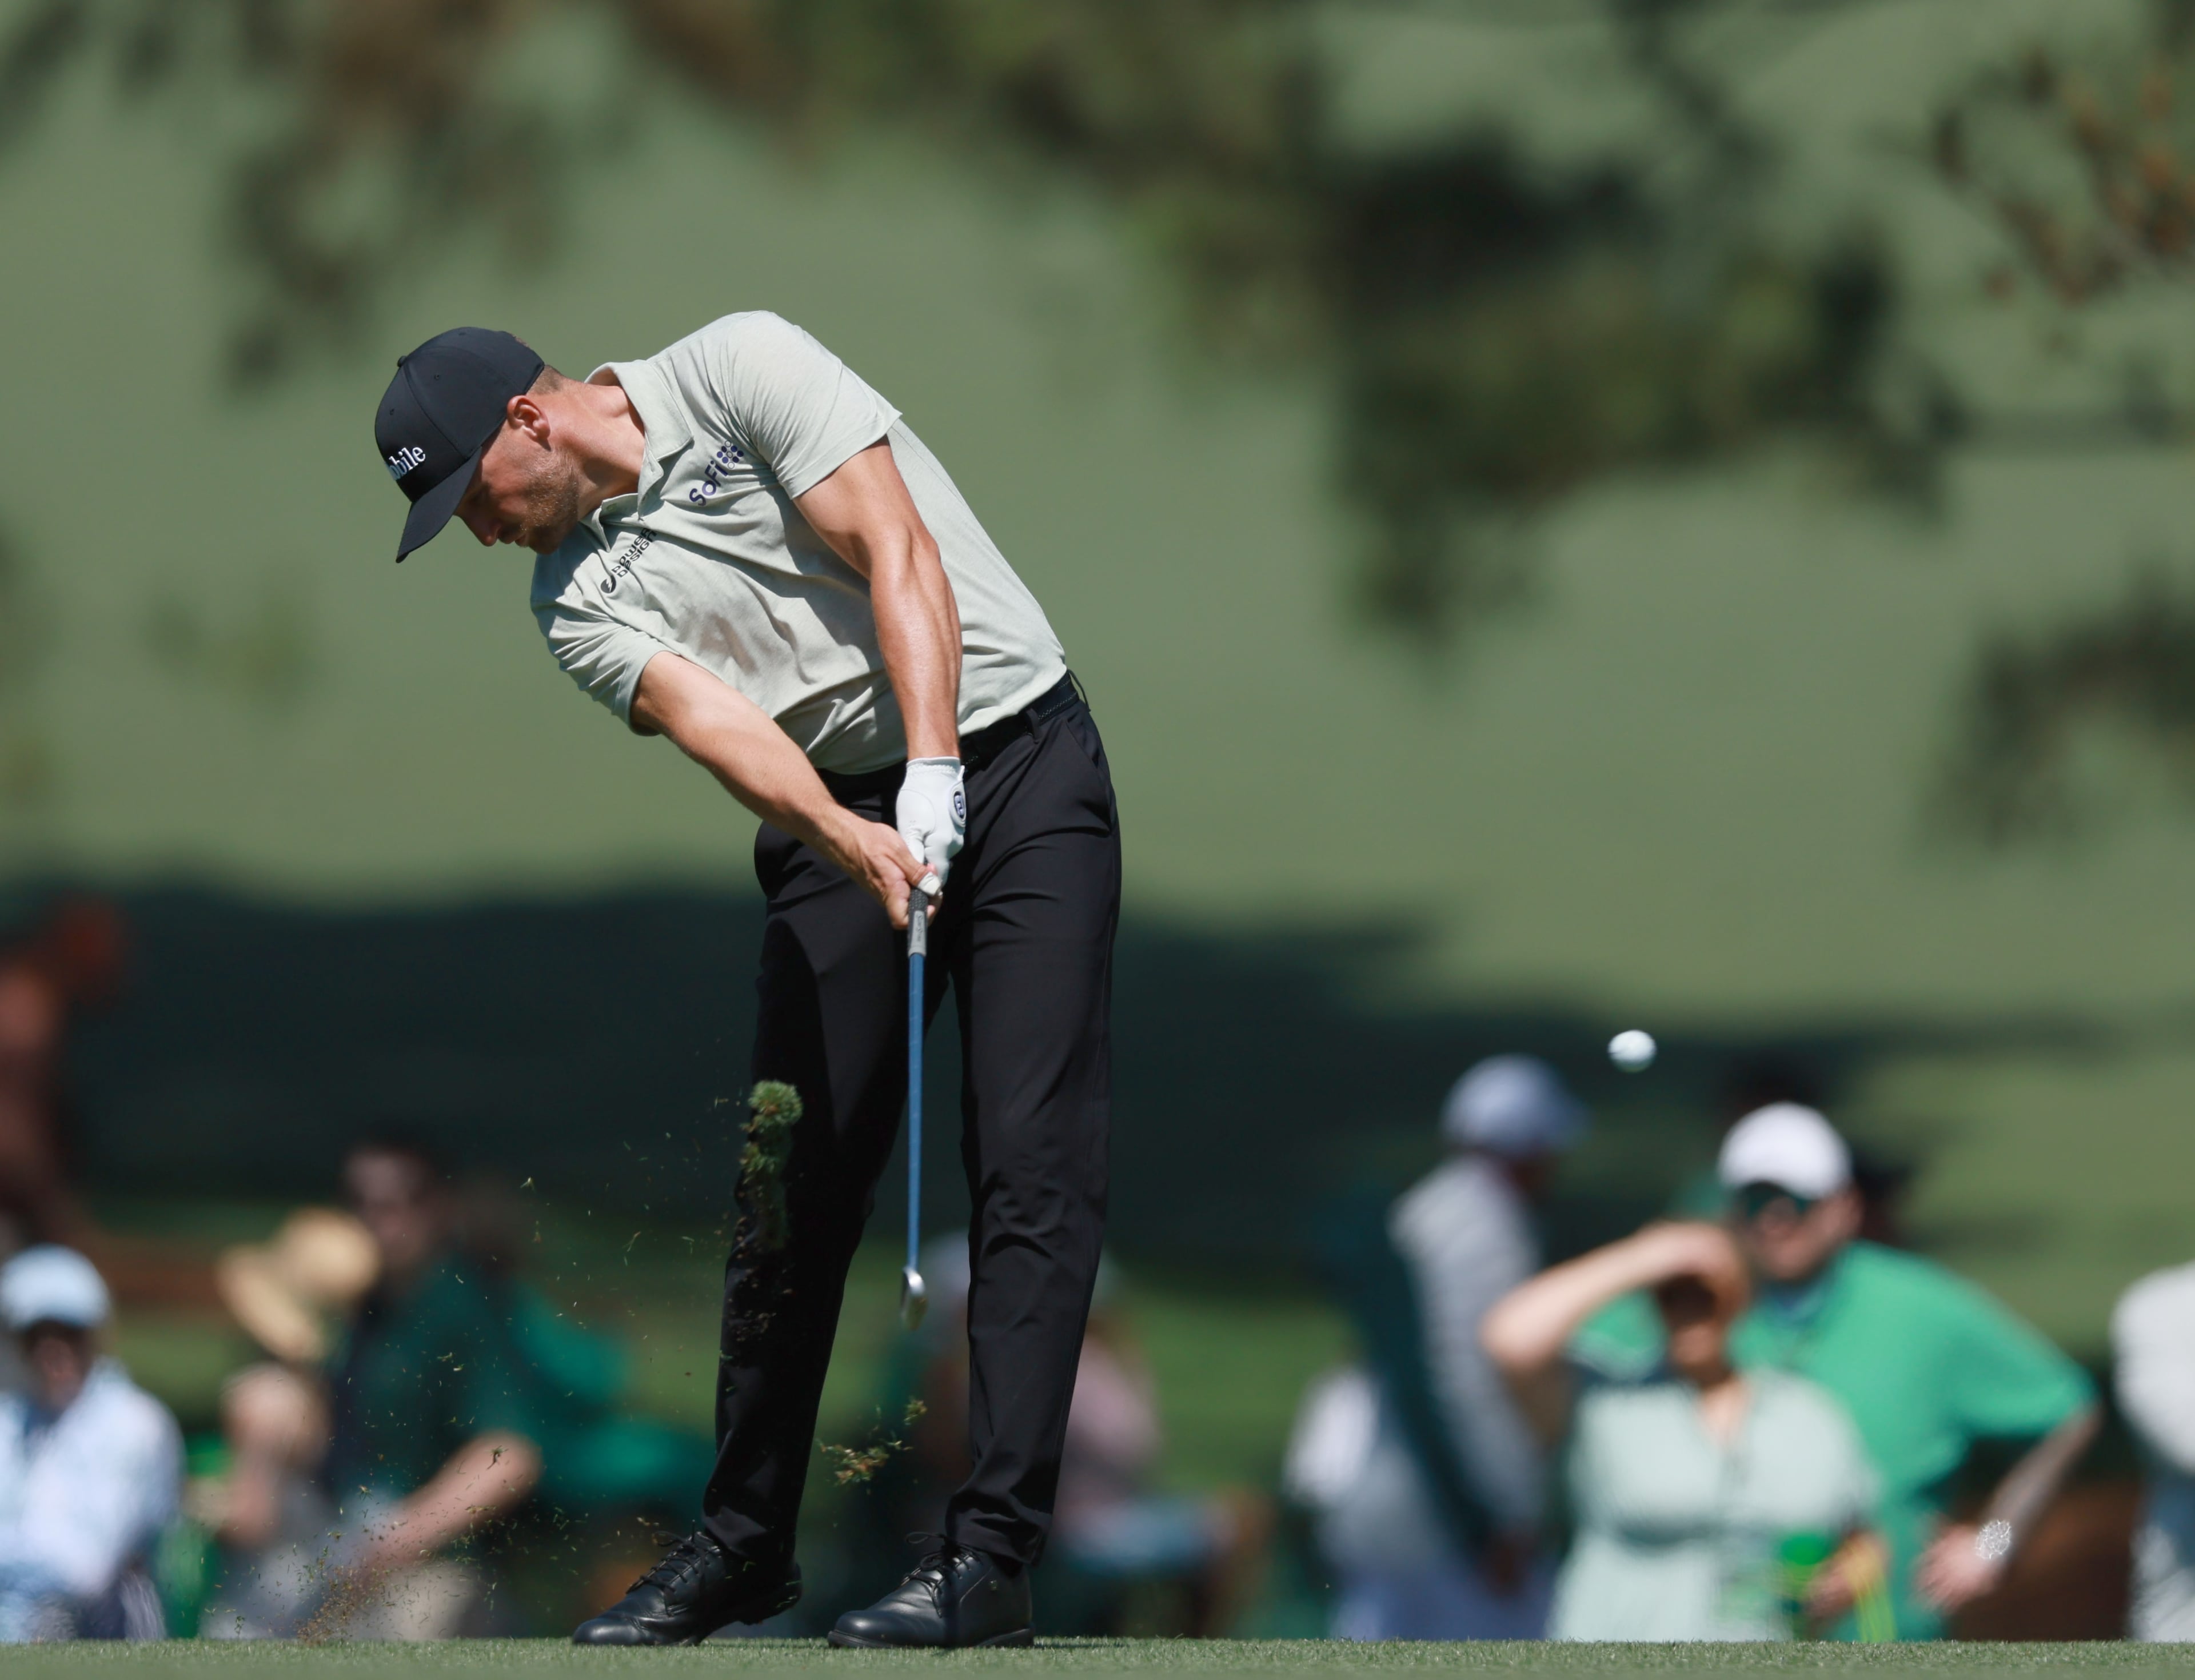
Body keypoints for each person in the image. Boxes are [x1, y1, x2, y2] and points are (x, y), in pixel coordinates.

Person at [372, 316, 1118, 1649]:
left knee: (1030, 1158)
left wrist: (937, 767)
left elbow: (893, 543)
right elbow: (729, 728)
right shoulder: (571, 601)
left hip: (1014, 756)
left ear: (528, 422)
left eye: (470, 496)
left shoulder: (740, 365)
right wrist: (854, 836)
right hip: (830, 801)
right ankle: (740, 1541)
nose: (478, 533)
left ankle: (989, 1553)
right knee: (789, 1171)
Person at [1577, 1103, 2101, 1639]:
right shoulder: (1695, 1305)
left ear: (1844, 1208)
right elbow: (1550, 1354)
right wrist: (1649, 1256)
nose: (1776, 1219)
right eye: (1756, 1200)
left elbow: (2067, 1411)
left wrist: (1994, 1543)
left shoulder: (1922, 1308)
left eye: (1797, 1201)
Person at [1288, 1055, 1583, 1638]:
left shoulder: (1431, 1205)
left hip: (1397, 1512)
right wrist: (1493, 1521)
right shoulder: (1487, 1229)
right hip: (1442, 1530)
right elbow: (1465, 1383)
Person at [1482, 1221, 1883, 1640]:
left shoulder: (1808, 1414)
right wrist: (1647, 1257)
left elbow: (1863, 1539)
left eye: (1704, 1293)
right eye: (1673, 1293)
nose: (1689, 1306)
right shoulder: (1606, 1402)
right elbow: (1511, 1338)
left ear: (1742, 1295)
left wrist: (1847, 1582)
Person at [0, 1246, 181, 1642]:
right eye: (38, 1335)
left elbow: (85, 1569)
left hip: (97, 1623)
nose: (54, 1349)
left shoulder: (135, 1423)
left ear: (93, 1335)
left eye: (69, 1332)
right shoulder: (9, 1419)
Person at [2111, 1258, 2195, 1639]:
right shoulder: (2160, 1307)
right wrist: (1995, 1541)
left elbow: (2065, 1419)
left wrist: (1991, 1545)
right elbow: (2185, 1439)